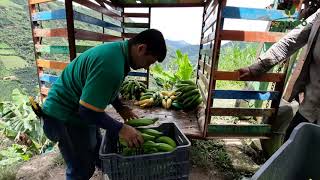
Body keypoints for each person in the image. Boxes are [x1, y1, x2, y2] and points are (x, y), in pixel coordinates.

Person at [41, 29, 167, 180]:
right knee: (81, 169)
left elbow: (104, 88)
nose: (147, 67)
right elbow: (87, 112)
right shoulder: (111, 64)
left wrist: (120, 108)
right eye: (149, 62)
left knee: (98, 151)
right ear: (141, 49)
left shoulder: (119, 54)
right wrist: (122, 129)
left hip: (78, 109)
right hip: (62, 114)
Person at [238, 7, 320, 141]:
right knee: (291, 145)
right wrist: (257, 67)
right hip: (310, 109)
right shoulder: (318, 15)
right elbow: (291, 39)